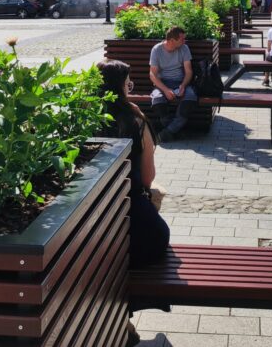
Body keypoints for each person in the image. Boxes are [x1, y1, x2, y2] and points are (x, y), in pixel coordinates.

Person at [96, 60, 169, 347]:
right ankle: (122, 323)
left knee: (102, 268)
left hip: (93, 238)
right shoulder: (136, 120)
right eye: (128, 84)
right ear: (121, 87)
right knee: (114, 266)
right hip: (141, 236)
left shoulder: (81, 117)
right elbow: (148, 179)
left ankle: (122, 323)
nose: (130, 88)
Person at [149, 26, 195, 143]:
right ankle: (174, 130)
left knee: (190, 98)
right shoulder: (157, 50)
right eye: (182, 39)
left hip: (180, 82)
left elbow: (189, 71)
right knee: (158, 99)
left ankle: (167, 132)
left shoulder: (184, 48)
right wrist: (165, 90)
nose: (184, 41)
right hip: (162, 83)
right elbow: (152, 75)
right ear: (171, 40)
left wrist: (183, 85)